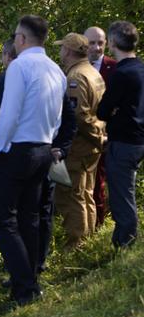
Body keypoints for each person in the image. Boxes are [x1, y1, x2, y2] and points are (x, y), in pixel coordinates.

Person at [0, 15, 66, 306]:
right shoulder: (56, 69)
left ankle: (26, 286)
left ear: (21, 38)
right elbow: (58, 117)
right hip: (44, 147)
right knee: (29, 218)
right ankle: (28, 281)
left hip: (16, 150)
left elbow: (10, 113)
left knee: (3, 220)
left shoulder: (19, 66)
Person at [53, 33, 106, 247]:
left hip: (80, 146)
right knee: (86, 193)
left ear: (68, 50)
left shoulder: (75, 77)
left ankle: (77, 243)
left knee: (72, 195)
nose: (60, 52)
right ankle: (89, 238)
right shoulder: (93, 72)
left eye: (62, 48)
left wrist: (96, 138)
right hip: (93, 144)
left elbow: (79, 116)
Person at [97, 21, 144, 248]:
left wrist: (113, 111)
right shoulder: (141, 69)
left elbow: (103, 110)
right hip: (138, 138)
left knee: (121, 194)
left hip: (123, 140)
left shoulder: (121, 73)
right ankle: (122, 238)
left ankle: (125, 241)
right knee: (124, 189)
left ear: (112, 42)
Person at [85, 26, 117, 228]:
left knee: (101, 182)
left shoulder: (115, 68)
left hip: (107, 136)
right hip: (82, 135)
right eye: (91, 42)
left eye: (100, 42)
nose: (96, 47)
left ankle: (99, 224)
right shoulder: (74, 67)